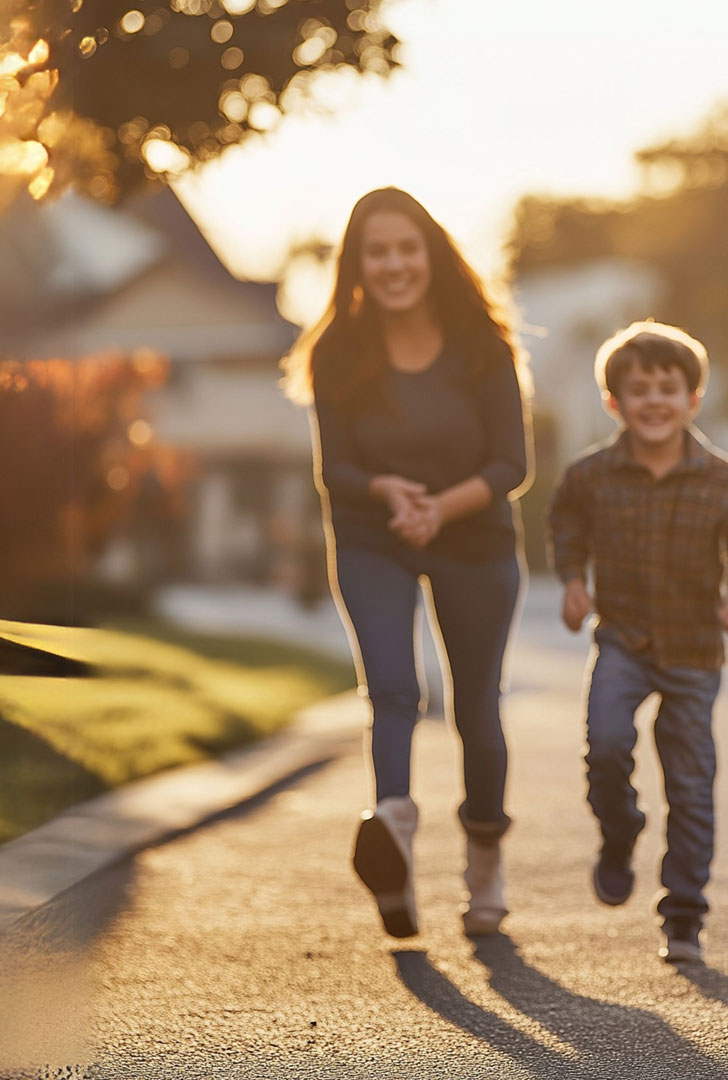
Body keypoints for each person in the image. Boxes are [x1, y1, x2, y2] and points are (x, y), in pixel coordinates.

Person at [284, 187, 534, 939]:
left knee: (475, 706)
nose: (393, 265)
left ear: (431, 255)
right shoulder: (338, 350)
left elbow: (512, 463)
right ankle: (392, 826)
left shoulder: (482, 345)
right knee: (393, 690)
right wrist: (390, 492)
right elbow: (336, 470)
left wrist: (439, 508)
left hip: (474, 537)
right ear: (358, 265)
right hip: (373, 536)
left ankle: (484, 861)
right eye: (377, 252)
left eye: (406, 248)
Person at [547, 320, 728, 965]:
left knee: (690, 781)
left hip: (692, 649)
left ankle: (683, 913)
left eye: (668, 388)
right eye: (639, 389)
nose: (654, 400)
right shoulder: (590, 476)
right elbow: (565, 525)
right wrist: (573, 580)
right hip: (622, 640)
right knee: (606, 746)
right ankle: (620, 829)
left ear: (692, 398)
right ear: (614, 401)